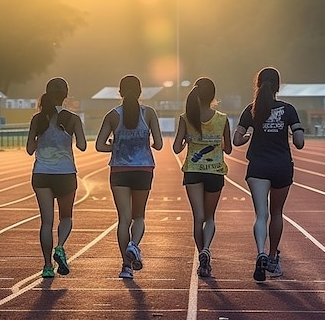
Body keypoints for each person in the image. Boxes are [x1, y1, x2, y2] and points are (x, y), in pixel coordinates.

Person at [233, 67, 305, 282]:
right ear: (278, 86)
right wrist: (292, 134)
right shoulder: (289, 109)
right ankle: (273, 257)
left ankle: (260, 253)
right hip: (281, 165)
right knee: (277, 213)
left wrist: (247, 138)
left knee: (261, 215)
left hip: (258, 166)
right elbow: (300, 143)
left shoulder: (251, 109)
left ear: (258, 85)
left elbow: (236, 140)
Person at [95, 75, 163, 279]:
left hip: (119, 170)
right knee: (139, 216)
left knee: (123, 219)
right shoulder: (149, 113)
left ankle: (126, 267)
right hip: (143, 170)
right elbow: (158, 145)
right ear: (141, 92)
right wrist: (145, 144)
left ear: (120, 92)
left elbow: (99, 145)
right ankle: (134, 245)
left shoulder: (113, 115)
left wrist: (116, 146)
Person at [26, 77, 87, 278]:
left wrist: (40, 140)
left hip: (42, 174)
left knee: (46, 222)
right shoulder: (73, 119)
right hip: (65, 173)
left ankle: (46, 267)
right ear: (66, 95)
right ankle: (60, 247)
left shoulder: (38, 119)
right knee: (66, 217)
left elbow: (29, 149)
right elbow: (82, 146)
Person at [173, 77, 232, 278]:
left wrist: (189, 141)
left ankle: (202, 257)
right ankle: (207, 248)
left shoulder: (186, 118)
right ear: (213, 96)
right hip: (215, 171)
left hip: (193, 171)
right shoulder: (222, 118)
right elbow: (229, 148)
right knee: (210, 217)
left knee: (198, 218)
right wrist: (216, 144)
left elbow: (176, 147)